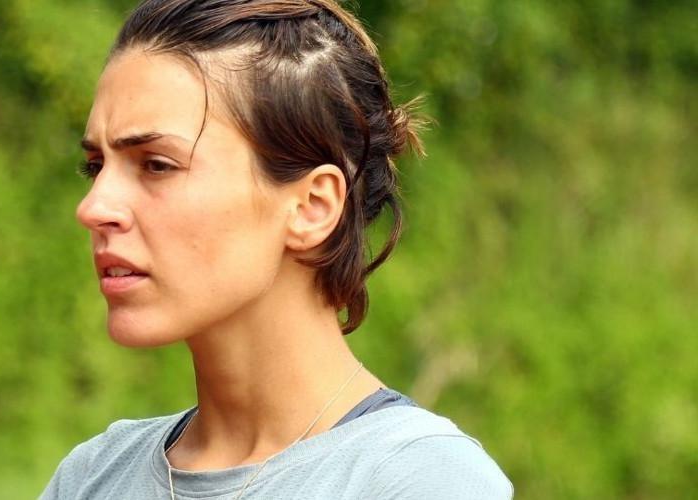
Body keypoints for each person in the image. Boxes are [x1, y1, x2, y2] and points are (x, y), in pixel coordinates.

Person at [42, 0, 513, 498]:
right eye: (96, 166)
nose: (94, 207)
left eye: (157, 165)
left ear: (312, 206)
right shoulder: (92, 477)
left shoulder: (418, 480)